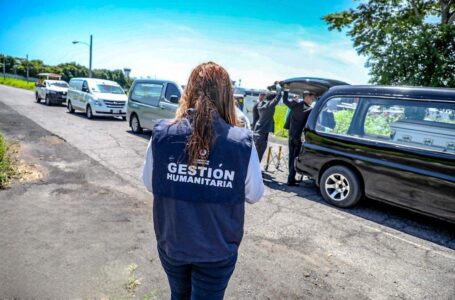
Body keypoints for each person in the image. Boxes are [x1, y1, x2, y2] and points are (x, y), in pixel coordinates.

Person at [142, 62, 264, 300]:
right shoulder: (241, 143)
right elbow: (254, 194)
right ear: (227, 96)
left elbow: (150, 183)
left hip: (173, 243)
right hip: (217, 250)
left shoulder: (162, 135)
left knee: (178, 296)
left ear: (188, 91)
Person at [282, 86, 315, 186]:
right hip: (298, 138)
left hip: (291, 135)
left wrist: (286, 89)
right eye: (312, 98)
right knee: (295, 158)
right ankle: (290, 180)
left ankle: (290, 178)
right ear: (307, 97)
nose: (312, 100)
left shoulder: (295, 105)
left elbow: (284, 100)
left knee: (291, 157)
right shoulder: (310, 110)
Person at [252, 84, 282, 162]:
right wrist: (278, 86)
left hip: (256, 133)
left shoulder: (260, 105)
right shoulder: (269, 106)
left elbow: (268, 97)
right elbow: (278, 96)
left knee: (253, 157)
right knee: (258, 158)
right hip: (262, 137)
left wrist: (271, 88)